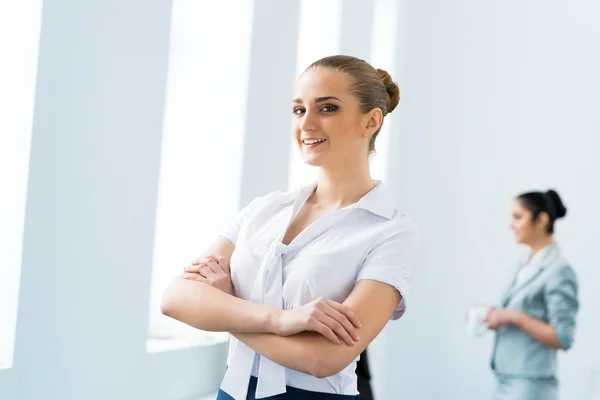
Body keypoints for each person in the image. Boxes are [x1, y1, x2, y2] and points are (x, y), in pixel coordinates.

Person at [160, 55, 419, 400]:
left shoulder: (391, 232)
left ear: (370, 121)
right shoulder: (263, 210)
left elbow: (324, 358)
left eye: (327, 108)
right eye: (299, 110)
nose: (307, 124)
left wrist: (226, 304)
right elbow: (175, 298)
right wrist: (281, 321)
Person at [486, 189, 579, 400]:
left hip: (530, 387)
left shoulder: (559, 271)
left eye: (518, 217)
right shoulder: (521, 265)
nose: (511, 224)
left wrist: (513, 316)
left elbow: (563, 337)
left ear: (542, 220)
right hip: (504, 379)